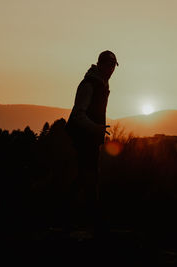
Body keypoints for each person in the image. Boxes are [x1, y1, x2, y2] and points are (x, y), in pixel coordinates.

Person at [64, 50, 118, 237]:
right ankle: (92, 223)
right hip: (81, 138)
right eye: (109, 65)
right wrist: (95, 128)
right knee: (89, 178)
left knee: (85, 178)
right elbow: (78, 114)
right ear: (100, 64)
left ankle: (72, 219)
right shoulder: (89, 85)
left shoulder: (100, 83)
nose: (111, 69)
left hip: (89, 138)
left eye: (113, 66)